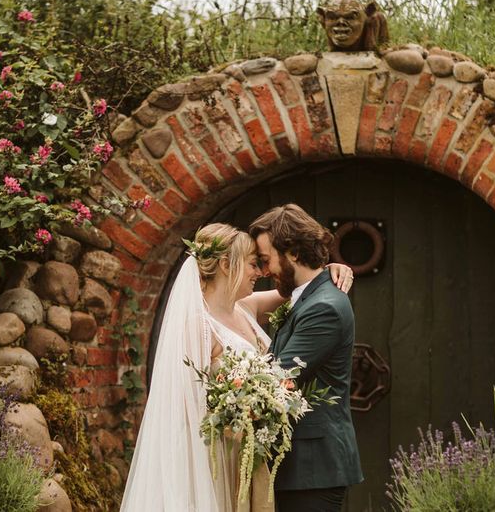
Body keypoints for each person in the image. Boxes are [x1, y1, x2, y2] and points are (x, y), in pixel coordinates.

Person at [120, 222, 353, 512]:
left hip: (250, 457)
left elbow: (303, 287)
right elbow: (184, 407)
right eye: (253, 264)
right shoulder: (199, 327)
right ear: (226, 265)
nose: (261, 272)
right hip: (218, 458)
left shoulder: (245, 307)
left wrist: (330, 269)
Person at [249, 203, 363, 512]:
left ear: (295, 253)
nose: (263, 272)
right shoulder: (308, 297)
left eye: (265, 260)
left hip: (313, 468)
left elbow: (277, 380)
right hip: (302, 468)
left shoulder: (323, 307)